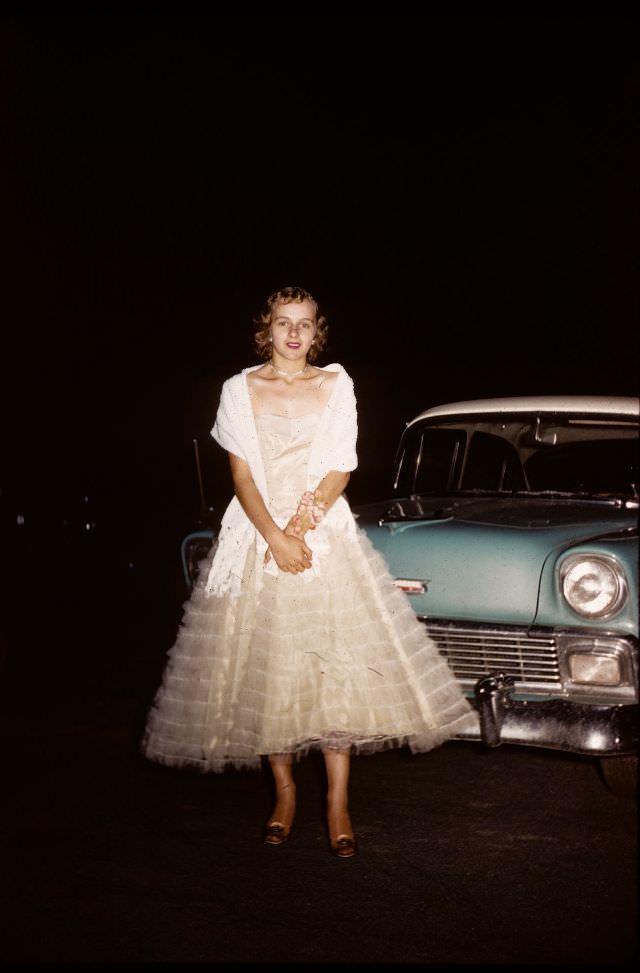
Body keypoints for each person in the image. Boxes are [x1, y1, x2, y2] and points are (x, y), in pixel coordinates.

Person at [141, 285, 476, 859]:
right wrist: (274, 537)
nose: (293, 333)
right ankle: (286, 793)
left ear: (317, 330)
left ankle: (338, 802)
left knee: (333, 669)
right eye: (282, 322)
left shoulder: (335, 383)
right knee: (270, 671)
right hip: (255, 534)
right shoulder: (238, 389)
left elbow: (341, 467)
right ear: (265, 329)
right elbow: (242, 479)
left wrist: (301, 530)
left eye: (304, 323)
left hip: (322, 532)